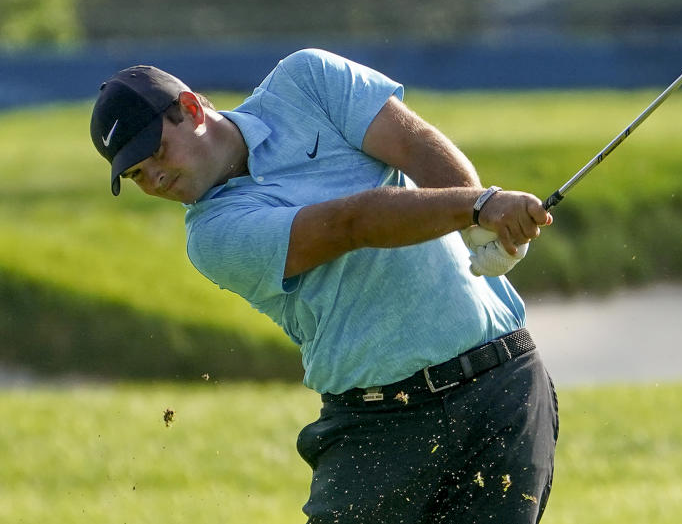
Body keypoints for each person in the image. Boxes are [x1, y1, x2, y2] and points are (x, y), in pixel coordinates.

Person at [89, 48, 558, 523]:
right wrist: (478, 207)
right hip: (378, 425)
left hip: (503, 387)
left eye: (156, 153)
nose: (155, 179)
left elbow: (415, 145)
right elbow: (349, 225)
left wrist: (478, 227)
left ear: (190, 109)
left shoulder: (307, 80)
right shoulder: (212, 236)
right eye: (135, 175)